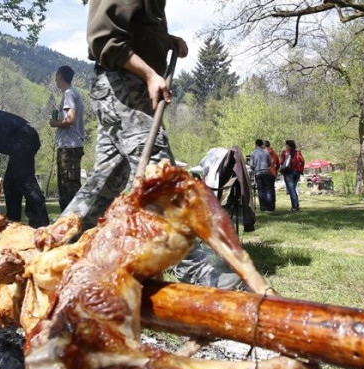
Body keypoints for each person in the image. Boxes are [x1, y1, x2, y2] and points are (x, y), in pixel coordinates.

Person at [62, 0, 240, 290]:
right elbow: (105, 39)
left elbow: (134, 29)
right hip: (123, 87)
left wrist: (164, 41)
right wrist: (149, 74)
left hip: (123, 88)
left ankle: (56, 246)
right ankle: (196, 269)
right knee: (161, 175)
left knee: (106, 179)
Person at [50, 65, 85, 211]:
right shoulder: (73, 93)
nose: (55, 80)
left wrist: (55, 123)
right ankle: (73, 222)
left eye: (56, 76)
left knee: (68, 188)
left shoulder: (69, 94)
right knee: (70, 186)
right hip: (71, 146)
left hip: (69, 147)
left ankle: (73, 222)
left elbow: (70, 119)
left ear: (60, 77)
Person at [279, 140, 304, 211]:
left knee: (292, 190)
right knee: (293, 189)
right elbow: (302, 161)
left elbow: (281, 162)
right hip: (297, 173)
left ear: (287, 145)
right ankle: (295, 206)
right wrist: (300, 171)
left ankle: (295, 206)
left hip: (289, 173)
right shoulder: (298, 153)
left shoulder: (285, 153)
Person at [250, 139, 273, 212]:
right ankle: (269, 207)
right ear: (261, 144)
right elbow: (270, 163)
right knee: (268, 189)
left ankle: (263, 208)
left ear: (256, 144)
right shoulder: (266, 152)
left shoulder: (253, 153)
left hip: (258, 172)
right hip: (266, 172)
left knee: (260, 190)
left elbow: (251, 165)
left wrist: (254, 167)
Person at [263, 140, 279, 211]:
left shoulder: (263, 153)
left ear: (264, 145)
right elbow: (278, 164)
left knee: (266, 190)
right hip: (273, 172)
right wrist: (275, 169)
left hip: (266, 172)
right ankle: (272, 206)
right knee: (272, 190)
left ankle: (268, 206)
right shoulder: (275, 153)